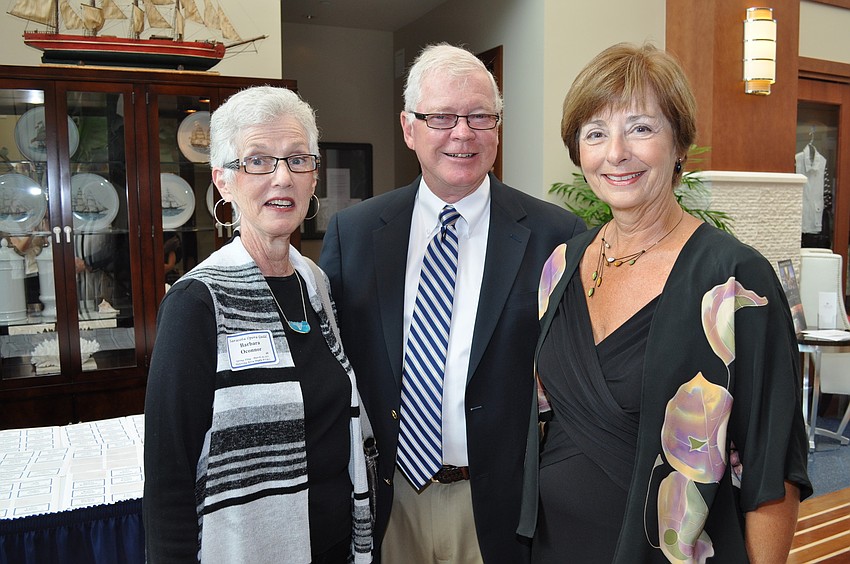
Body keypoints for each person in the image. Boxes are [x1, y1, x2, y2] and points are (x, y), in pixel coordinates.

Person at [517, 43, 812, 563]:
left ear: (680, 143)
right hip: (553, 545)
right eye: (595, 133)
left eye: (640, 128)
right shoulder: (560, 265)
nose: (616, 153)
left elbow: (772, 470)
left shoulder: (735, 281)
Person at [320, 43, 585, 563]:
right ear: (408, 128)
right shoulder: (354, 234)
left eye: (480, 116)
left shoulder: (557, 236)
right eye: (441, 116)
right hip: (388, 500)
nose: (462, 133)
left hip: (500, 509)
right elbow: (332, 366)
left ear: (497, 128)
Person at [143, 86, 372, 564]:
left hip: (337, 547)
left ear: (313, 177)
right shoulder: (197, 302)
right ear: (223, 181)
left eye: (297, 160)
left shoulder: (315, 284)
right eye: (258, 161)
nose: (282, 177)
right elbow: (168, 476)